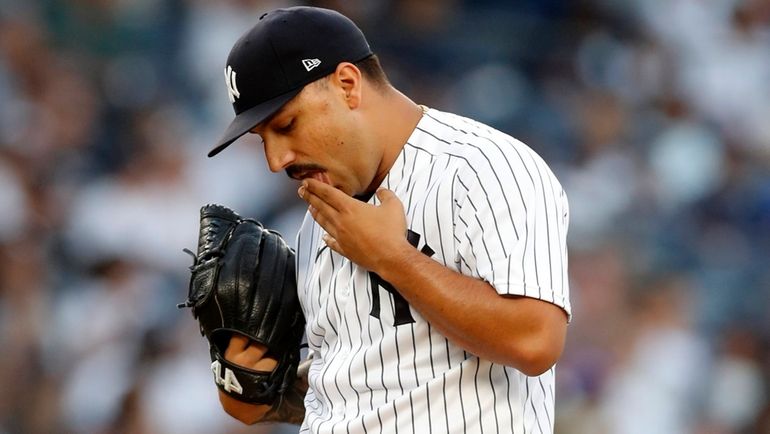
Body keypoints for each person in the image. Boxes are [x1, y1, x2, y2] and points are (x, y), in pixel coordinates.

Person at [207, 6, 570, 433]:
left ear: (347, 85)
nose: (275, 160)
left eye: (286, 125)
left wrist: (393, 258)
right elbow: (364, 385)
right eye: (263, 138)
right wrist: (260, 392)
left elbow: (534, 339)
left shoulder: (482, 168)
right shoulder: (319, 223)